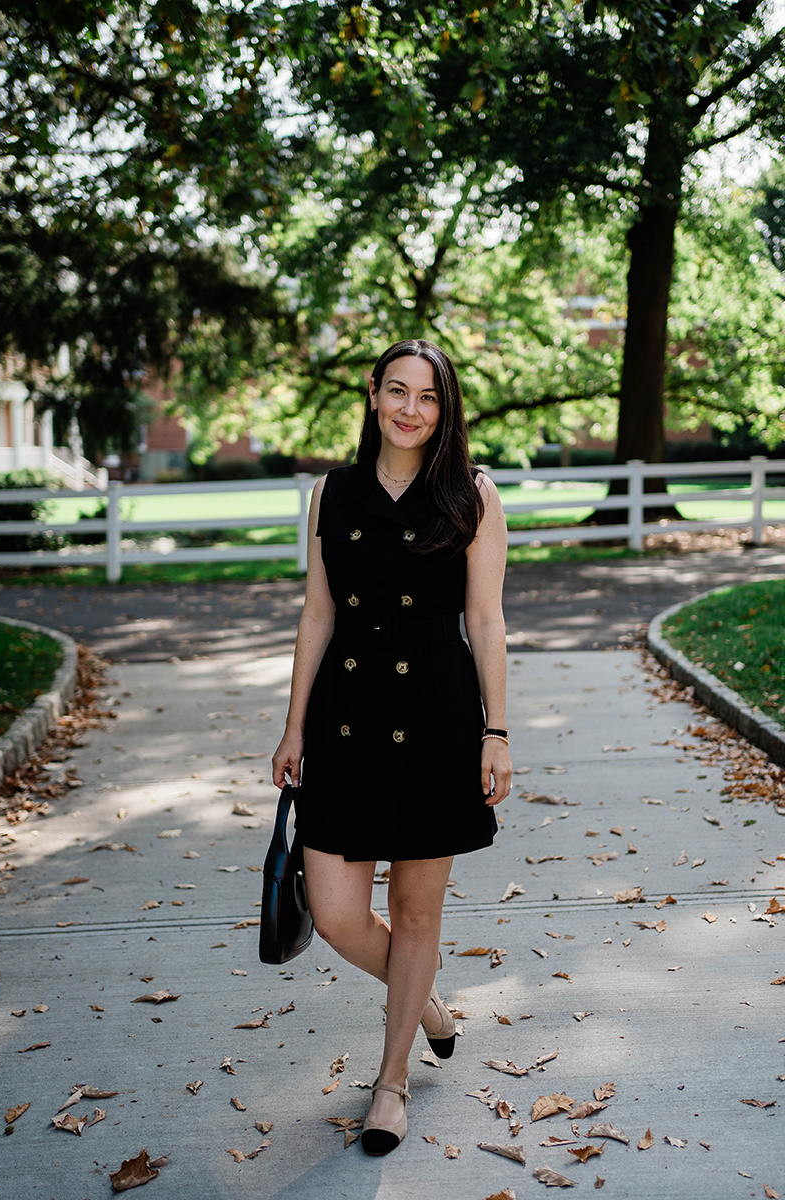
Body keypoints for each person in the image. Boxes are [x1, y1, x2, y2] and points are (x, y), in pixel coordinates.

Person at [272, 338, 511, 1155]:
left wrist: (497, 731)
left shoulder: (472, 495)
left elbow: (485, 621)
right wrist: (293, 723)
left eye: (429, 398)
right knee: (337, 914)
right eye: (398, 391)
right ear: (373, 395)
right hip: (345, 717)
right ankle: (430, 1005)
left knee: (416, 914)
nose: (411, 409)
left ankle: (392, 1082)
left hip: (439, 719)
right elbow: (317, 614)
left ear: (446, 412)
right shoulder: (329, 494)